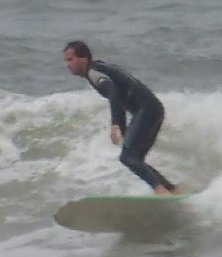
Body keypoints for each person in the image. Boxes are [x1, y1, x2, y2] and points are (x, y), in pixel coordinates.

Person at [63, 40, 179, 195]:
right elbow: (120, 94)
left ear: (83, 59)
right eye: (66, 60)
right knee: (134, 158)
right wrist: (124, 131)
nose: (67, 64)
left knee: (128, 158)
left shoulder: (93, 72)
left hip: (146, 109)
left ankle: (160, 190)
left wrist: (115, 124)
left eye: (70, 59)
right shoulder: (98, 68)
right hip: (152, 109)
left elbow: (113, 93)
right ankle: (173, 190)